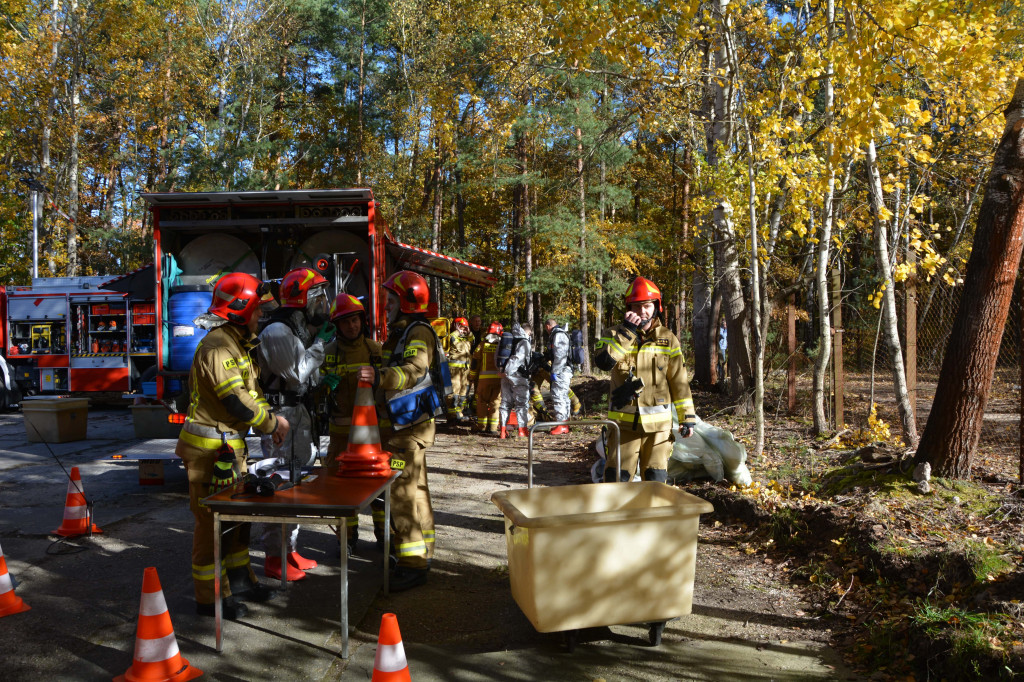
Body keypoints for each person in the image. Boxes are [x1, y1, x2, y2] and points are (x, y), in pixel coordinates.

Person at [175, 272, 289, 620]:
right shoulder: (217, 347)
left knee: (237, 521)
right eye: (257, 309)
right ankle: (210, 598)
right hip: (209, 451)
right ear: (241, 310)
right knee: (211, 525)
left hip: (229, 448)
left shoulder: (239, 345)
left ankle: (240, 582)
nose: (261, 315)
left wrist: (269, 416)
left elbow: (252, 394)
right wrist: (272, 424)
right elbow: (235, 401)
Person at [356, 271, 440, 591]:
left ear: (406, 301)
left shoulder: (416, 332)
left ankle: (411, 563)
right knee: (416, 492)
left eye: (391, 300)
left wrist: (381, 377)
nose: (386, 305)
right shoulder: (407, 330)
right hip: (409, 428)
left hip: (406, 430)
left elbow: (414, 370)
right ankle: (423, 552)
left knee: (401, 494)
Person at [255, 267, 332, 581]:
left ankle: (290, 549)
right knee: (280, 487)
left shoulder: (298, 328)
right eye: (317, 296)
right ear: (302, 298)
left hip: (298, 412)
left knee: (297, 484)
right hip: (281, 417)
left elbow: (308, 375)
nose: (322, 303)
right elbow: (297, 372)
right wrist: (321, 346)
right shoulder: (278, 331)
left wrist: (325, 380)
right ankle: (274, 556)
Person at [594, 276, 696, 483]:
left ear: (656, 307)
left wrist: (687, 418)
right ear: (628, 308)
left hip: (658, 431)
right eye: (637, 306)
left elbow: (679, 381)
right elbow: (604, 363)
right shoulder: (612, 334)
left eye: (647, 306)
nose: (642, 311)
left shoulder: (668, 338)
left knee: (655, 481)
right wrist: (627, 333)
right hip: (622, 428)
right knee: (617, 481)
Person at [323, 293, 384, 549]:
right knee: (342, 489)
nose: (352, 326)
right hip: (339, 435)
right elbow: (314, 392)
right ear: (337, 325)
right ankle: (347, 538)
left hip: (371, 437)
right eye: (345, 322)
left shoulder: (375, 350)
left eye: (355, 320)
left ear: (362, 320)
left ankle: (385, 536)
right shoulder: (328, 353)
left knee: (378, 487)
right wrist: (322, 385)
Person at [499, 322, 533, 438]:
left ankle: (503, 431)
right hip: (518, 377)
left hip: (504, 376)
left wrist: (502, 372)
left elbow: (497, 356)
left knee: (505, 403)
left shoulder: (507, 340)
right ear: (528, 332)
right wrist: (508, 372)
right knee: (521, 404)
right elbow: (517, 358)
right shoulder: (524, 342)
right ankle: (522, 430)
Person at [469, 321, 503, 434]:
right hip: (498, 379)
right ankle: (493, 428)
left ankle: (482, 427)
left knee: (482, 402)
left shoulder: (482, 345)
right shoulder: (502, 345)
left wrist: (472, 376)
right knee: (496, 403)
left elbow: (475, 362)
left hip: (484, 380)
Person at [544, 318, 574, 435]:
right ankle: (564, 424)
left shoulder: (558, 335)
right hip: (563, 370)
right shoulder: (558, 334)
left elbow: (560, 355)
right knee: (563, 396)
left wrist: (555, 372)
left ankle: (561, 424)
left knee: (558, 396)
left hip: (562, 370)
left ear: (548, 326)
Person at [446, 317, 473, 422]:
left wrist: (468, 332)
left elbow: (473, 340)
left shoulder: (465, 339)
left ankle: (459, 414)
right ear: (456, 326)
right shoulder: (452, 336)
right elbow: (452, 339)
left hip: (465, 370)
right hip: (454, 370)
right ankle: (452, 415)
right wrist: (457, 331)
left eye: (465, 327)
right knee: (454, 392)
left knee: (463, 393)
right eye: (461, 327)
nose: (463, 329)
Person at [717, 319, 728, 384]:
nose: (725, 325)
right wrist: (726, 329)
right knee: (722, 361)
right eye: (724, 323)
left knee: (722, 362)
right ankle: (721, 375)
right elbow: (723, 336)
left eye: (725, 324)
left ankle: (721, 375)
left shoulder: (724, 329)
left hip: (724, 347)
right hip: (720, 347)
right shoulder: (720, 330)